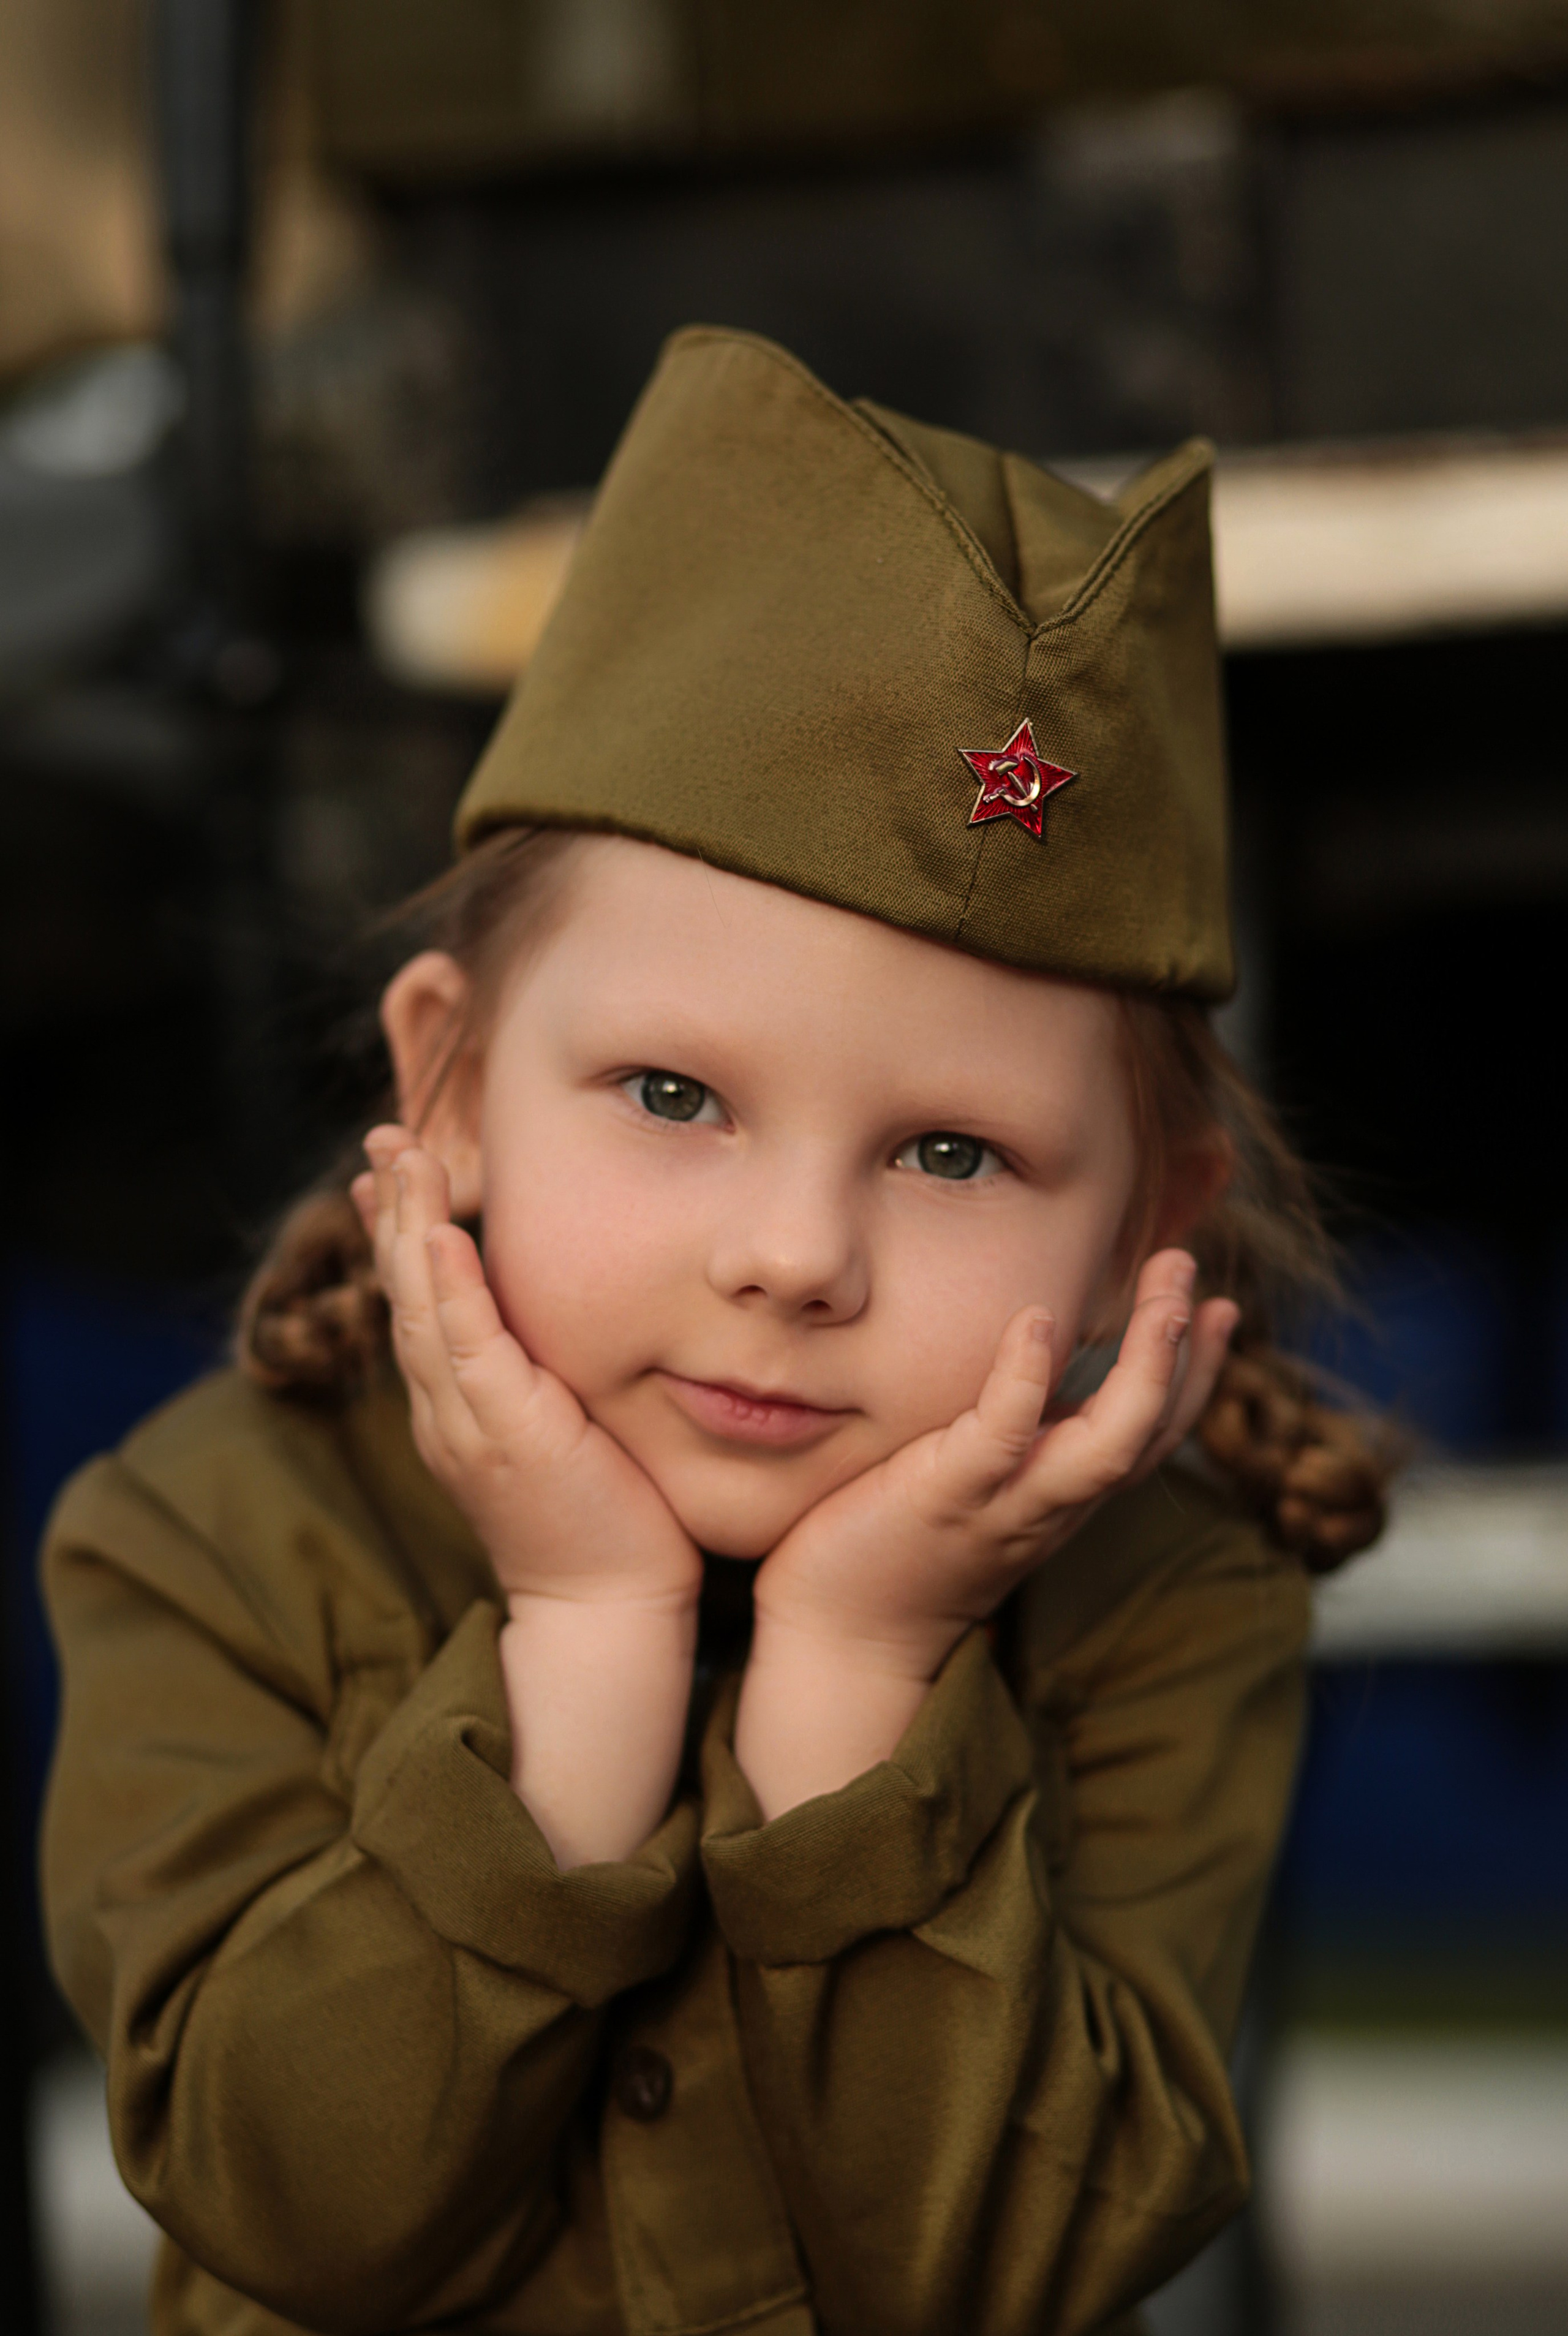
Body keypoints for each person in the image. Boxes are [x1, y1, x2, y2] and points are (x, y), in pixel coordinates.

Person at [41, 327, 1390, 2336]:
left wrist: (856, 1677)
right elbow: (293, 2211)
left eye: (952, 1151)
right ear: (457, 1083)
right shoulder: (211, 1534)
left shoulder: (1167, 1602)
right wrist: (581, 1647)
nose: (793, 1255)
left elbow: (1008, 2271)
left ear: (1144, 1232)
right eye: (674, 1097)